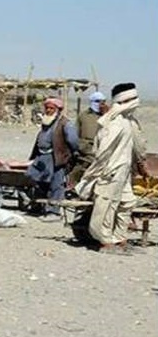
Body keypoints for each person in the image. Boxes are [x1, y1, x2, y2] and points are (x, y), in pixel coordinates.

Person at [83, 83, 149, 254]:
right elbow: (102, 150)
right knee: (107, 205)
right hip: (112, 170)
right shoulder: (113, 122)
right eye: (133, 98)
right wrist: (101, 170)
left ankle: (120, 239)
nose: (136, 102)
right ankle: (105, 242)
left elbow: (138, 145)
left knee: (127, 203)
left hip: (125, 171)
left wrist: (141, 165)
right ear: (124, 100)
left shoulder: (129, 121)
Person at [25, 97, 79, 222]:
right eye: (47, 108)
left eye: (51, 108)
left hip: (56, 158)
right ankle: (39, 206)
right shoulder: (46, 122)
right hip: (42, 157)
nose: (49, 110)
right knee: (39, 181)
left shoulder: (65, 124)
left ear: (58, 110)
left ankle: (54, 212)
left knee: (56, 184)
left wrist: (69, 154)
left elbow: (73, 141)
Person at [69, 91, 108, 190]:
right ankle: (72, 186)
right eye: (98, 101)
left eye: (103, 102)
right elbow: (76, 132)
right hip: (85, 148)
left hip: (101, 148)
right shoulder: (83, 115)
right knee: (80, 169)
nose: (100, 104)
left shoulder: (108, 116)